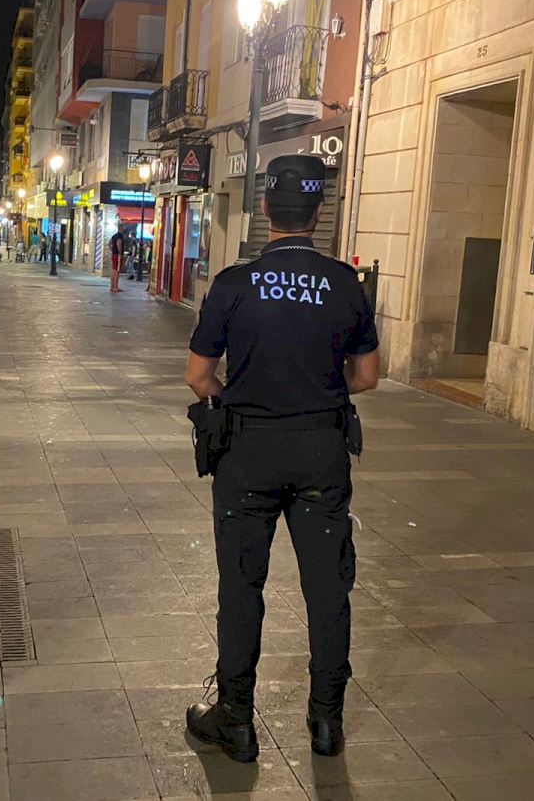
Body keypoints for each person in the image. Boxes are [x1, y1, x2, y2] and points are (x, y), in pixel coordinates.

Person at [183, 154, 380, 763]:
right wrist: (316, 391)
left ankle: (236, 721)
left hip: (247, 453)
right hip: (321, 450)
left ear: (265, 207)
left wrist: (239, 396)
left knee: (242, 587)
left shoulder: (232, 284)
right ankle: (326, 722)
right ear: (319, 213)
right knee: (328, 589)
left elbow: (198, 377)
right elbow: (367, 376)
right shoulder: (346, 284)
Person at [109, 223, 126, 293]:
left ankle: (112, 286)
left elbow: (109, 243)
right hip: (117, 256)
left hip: (113, 254)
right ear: (122, 228)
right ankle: (116, 287)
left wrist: (112, 250)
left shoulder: (114, 235)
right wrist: (120, 253)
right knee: (117, 271)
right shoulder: (120, 235)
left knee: (113, 270)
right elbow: (118, 243)